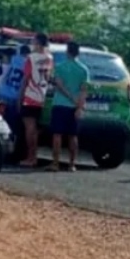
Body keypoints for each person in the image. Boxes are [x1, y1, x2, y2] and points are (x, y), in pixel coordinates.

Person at [50, 41, 90, 171]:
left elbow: (59, 85)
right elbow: (84, 90)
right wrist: (79, 106)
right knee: (73, 135)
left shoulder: (59, 67)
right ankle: (72, 164)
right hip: (74, 106)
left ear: (67, 51)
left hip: (59, 103)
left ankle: (55, 163)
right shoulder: (84, 69)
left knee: (57, 134)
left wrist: (70, 97)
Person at [17, 32, 54, 168]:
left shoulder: (31, 58)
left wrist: (20, 97)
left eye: (33, 42)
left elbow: (25, 79)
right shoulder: (50, 57)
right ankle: (34, 156)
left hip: (30, 95)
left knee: (29, 129)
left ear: (38, 43)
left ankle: (30, 157)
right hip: (42, 95)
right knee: (36, 129)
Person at [0, 43, 31, 163]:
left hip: (4, 94)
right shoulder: (29, 63)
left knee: (5, 127)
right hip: (16, 97)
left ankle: (4, 152)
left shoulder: (14, 59)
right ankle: (15, 154)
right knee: (17, 129)